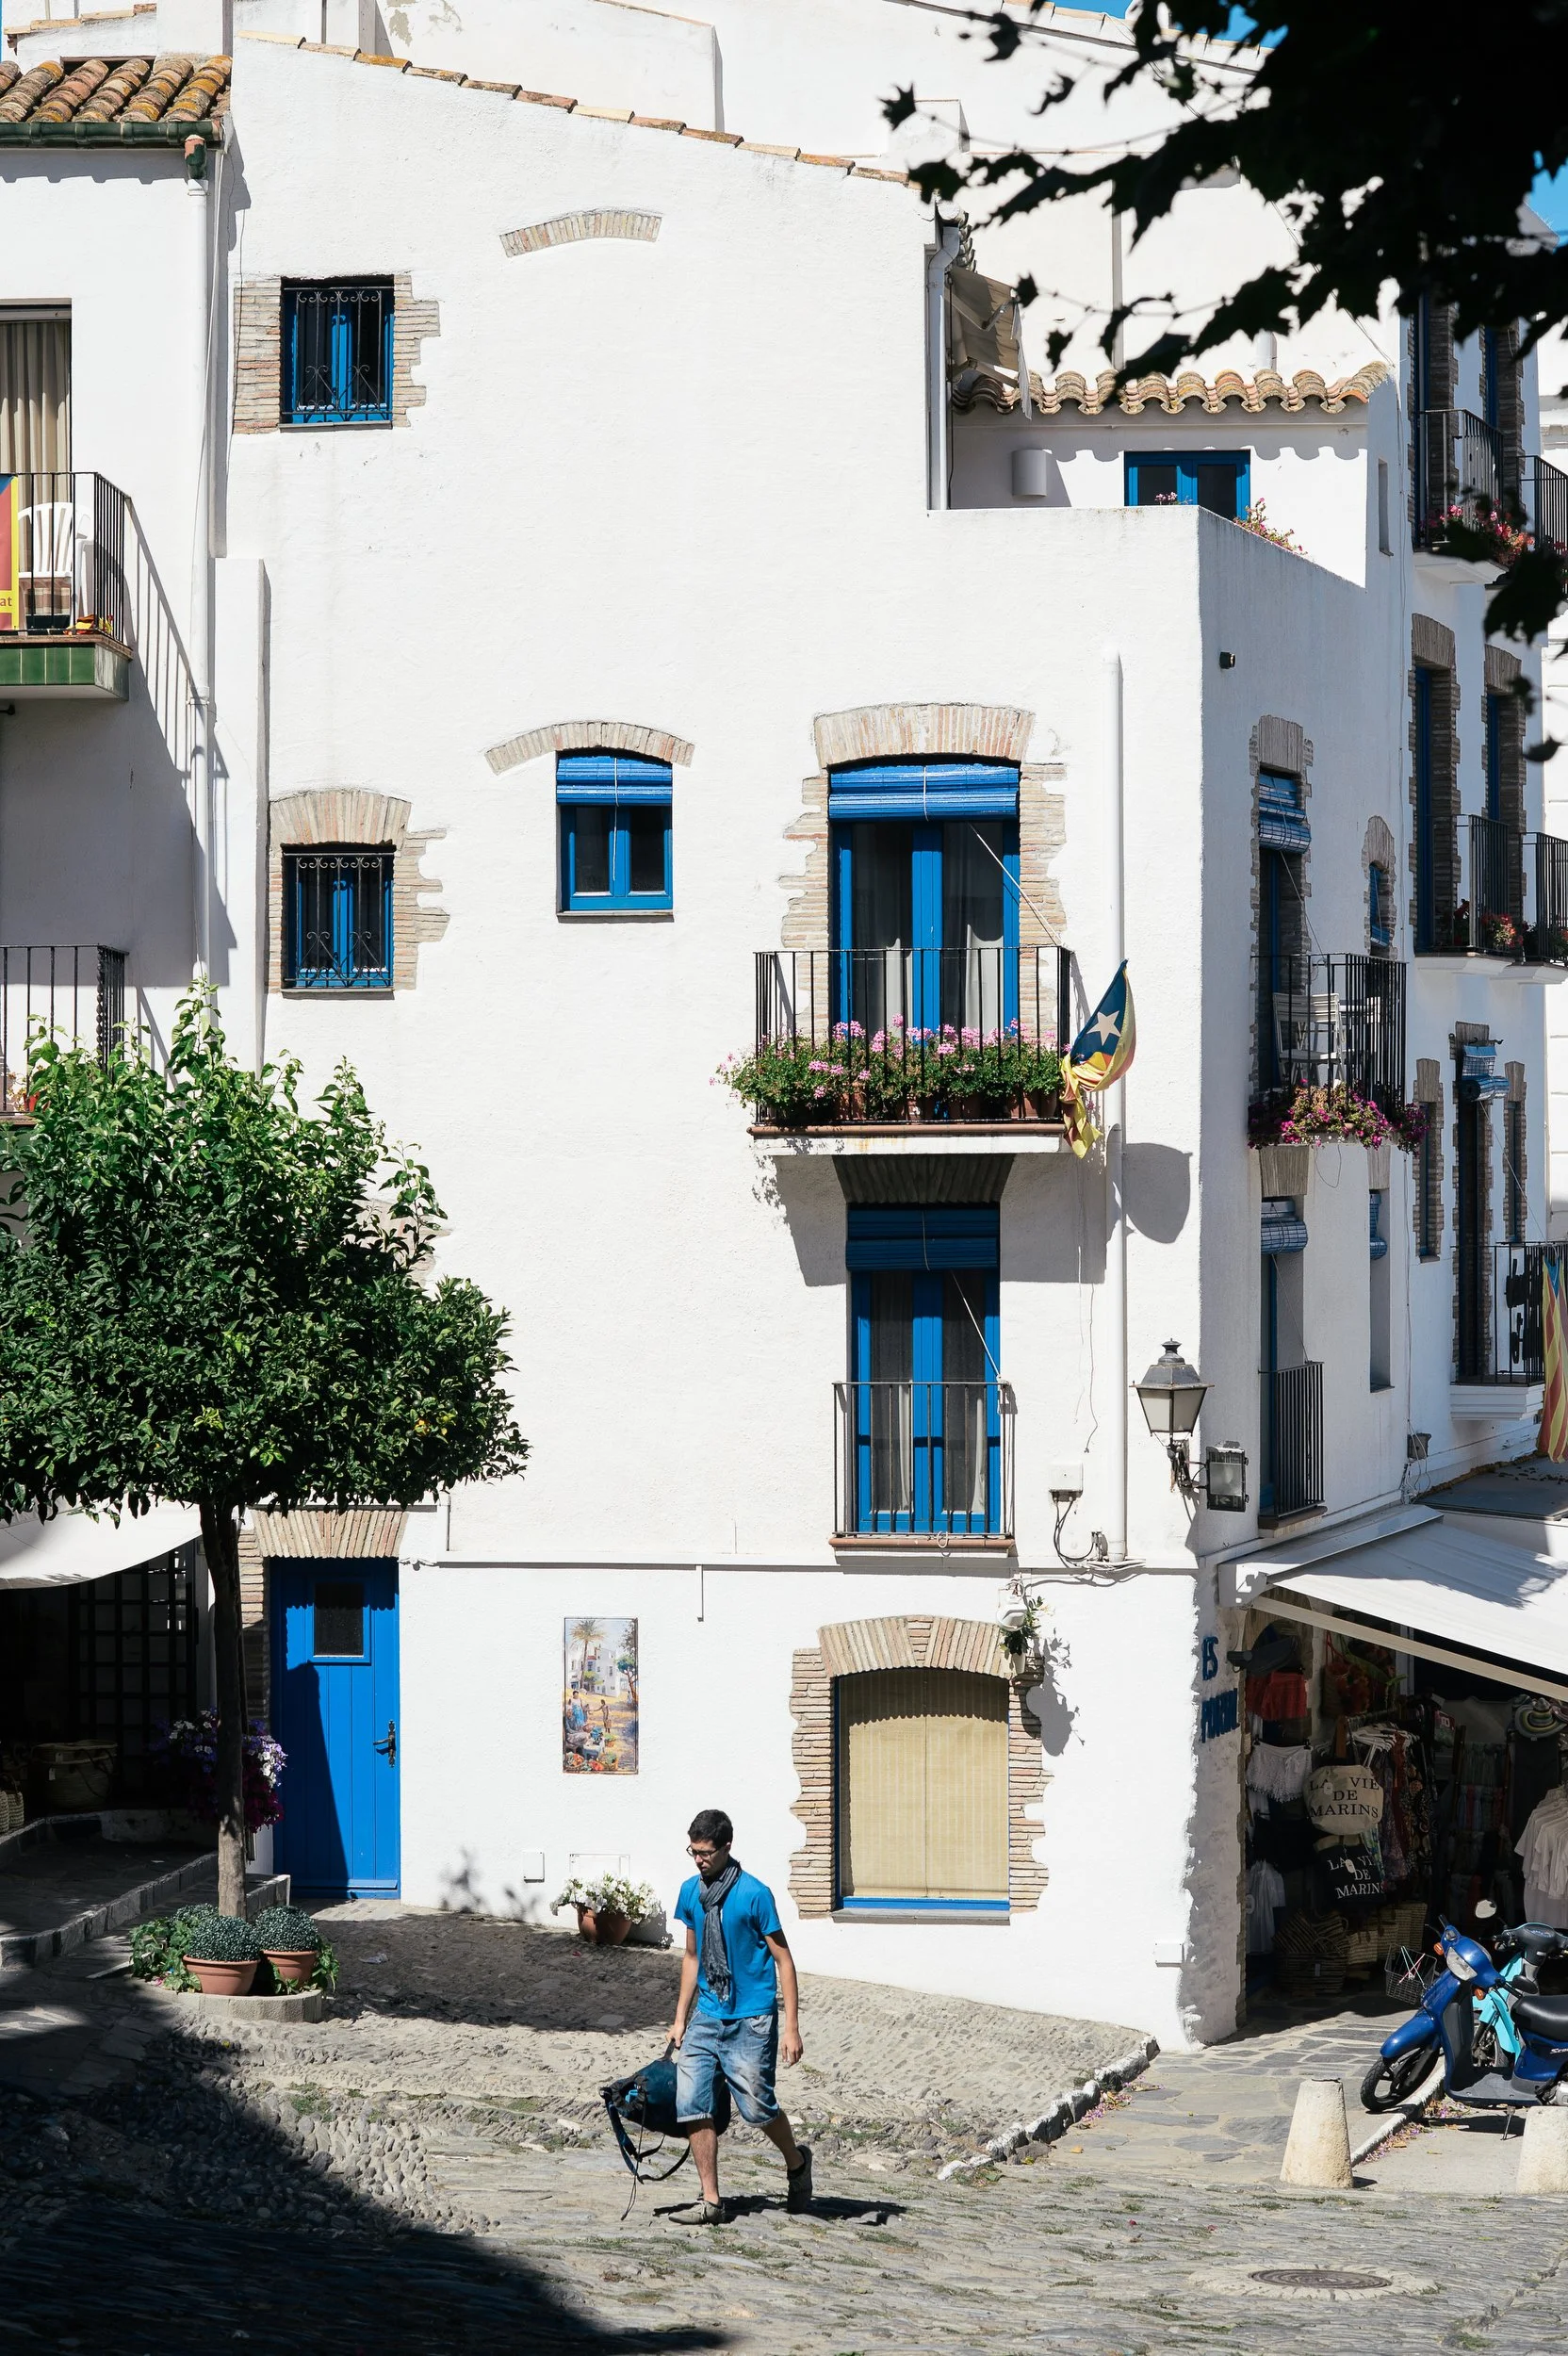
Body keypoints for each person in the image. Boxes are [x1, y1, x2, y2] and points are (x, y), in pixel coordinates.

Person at [666, 1807, 811, 2225]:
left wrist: (792, 2027)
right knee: (691, 2103)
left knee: (756, 2109)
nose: (699, 1860)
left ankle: (797, 2161)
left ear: (727, 1847)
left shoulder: (754, 1894)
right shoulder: (690, 1892)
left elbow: (784, 1960)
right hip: (708, 2017)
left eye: (706, 1853)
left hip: (752, 2019)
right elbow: (692, 1957)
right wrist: (680, 2019)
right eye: (693, 1852)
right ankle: (710, 2199)